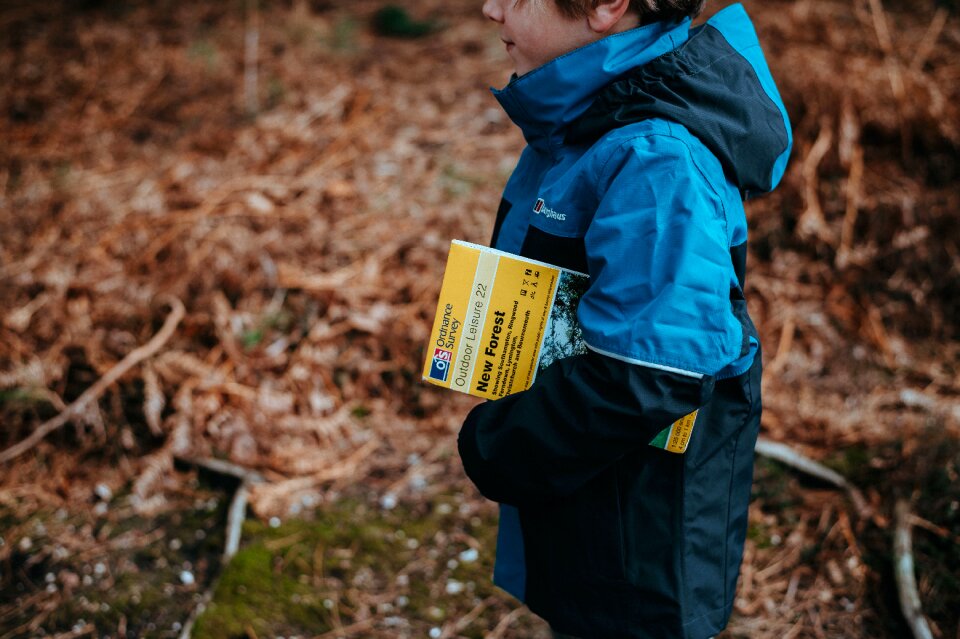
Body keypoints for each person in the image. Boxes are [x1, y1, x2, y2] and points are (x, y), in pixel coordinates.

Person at [456, 0, 792, 637]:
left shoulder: (655, 157)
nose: (491, 8)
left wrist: (499, 445)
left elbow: (655, 371)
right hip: (595, 487)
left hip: (640, 528)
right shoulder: (593, 116)